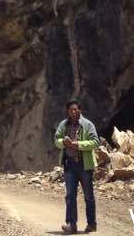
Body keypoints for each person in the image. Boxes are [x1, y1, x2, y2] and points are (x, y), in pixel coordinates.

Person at [54, 98, 98, 233]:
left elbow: (95, 142)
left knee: (88, 196)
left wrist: (78, 145)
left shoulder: (88, 124)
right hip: (69, 165)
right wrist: (63, 142)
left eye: (75, 109)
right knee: (70, 196)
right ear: (68, 111)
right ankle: (71, 225)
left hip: (85, 165)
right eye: (71, 110)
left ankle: (91, 224)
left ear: (80, 110)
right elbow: (56, 139)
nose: (73, 112)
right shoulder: (63, 125)